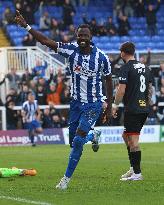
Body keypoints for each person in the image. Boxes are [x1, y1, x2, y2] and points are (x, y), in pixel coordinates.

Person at [15, 11, 113, 189]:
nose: (82, 38)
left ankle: (65, 180)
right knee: (72, 142)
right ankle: (93, 135)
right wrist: (27, 27)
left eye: (85, 35)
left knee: (77, 142)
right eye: (80, 35)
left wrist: (109, 105)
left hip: (93, 104)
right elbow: (45, 41)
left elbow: (108, 80)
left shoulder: (101, 58)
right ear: (77, 36)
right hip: (75, 103)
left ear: (91, 37)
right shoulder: (71, 50)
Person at [112, 42, 153, 181]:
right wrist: (146, 106)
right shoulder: (146, 67)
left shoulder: (125, 68)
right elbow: (150, 89)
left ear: (123, 53)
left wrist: (115, 105)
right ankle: (132, 167)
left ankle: (137, 173)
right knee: (126, 136)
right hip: (143, 108)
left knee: (134, 142)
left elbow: (121, 90)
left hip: (133, 109)